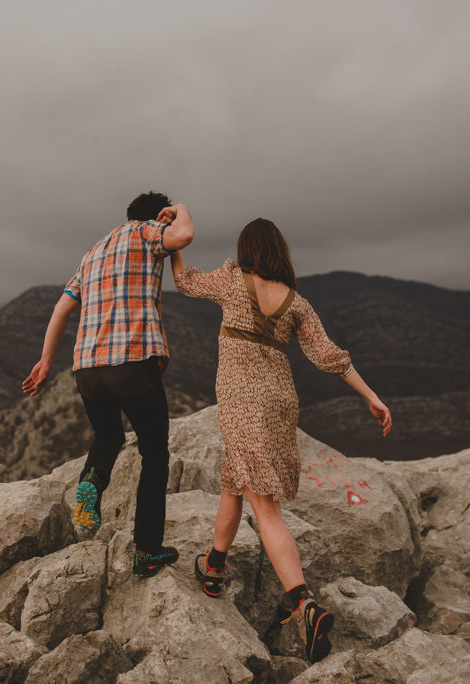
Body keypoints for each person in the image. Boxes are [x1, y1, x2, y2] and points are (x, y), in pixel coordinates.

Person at [168, 216, 392, 663]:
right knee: (236, 479)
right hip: (280, 403)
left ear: (246, 249)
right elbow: (330, 357)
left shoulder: (232, 281)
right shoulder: (296, 303)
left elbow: (185, 282)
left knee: (264, 506)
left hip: (242, 401)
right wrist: (372, 397)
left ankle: (303, 604)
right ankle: (214, 566)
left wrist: (174, 243)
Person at [22, 192, 195, 577]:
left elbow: (61, 308)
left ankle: (92, 484)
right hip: (132, 362)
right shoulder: (147, 233)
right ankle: (147, 548)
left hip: (87, 369)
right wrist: (180, 211)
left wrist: (45, 361)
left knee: (108, 437)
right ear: (156, 217)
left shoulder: (93, 252)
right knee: (155, 454)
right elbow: (183, 237)